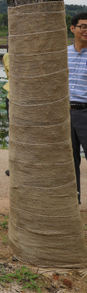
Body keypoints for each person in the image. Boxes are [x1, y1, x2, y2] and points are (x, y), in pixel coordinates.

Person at [69, 12, 87, 203]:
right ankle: (73, 202)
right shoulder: (62, 54)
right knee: (69, 161)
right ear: (73, 28)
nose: (86, 31)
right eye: (83, 26)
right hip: (65, 114)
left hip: (86, 112)